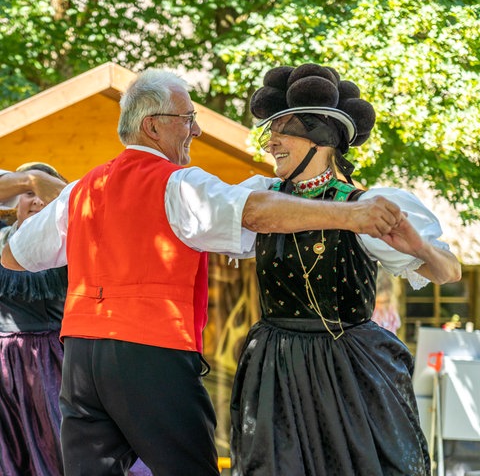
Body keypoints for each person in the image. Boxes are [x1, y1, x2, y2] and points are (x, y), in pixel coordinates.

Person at [2, 68, 405, 476]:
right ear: (153, 126)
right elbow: (256, 213)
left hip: (81, 359)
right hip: (150, 353)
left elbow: (15, 256)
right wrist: (350, 213)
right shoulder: (179, 184)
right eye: (188, 119)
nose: (195, 130)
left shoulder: (81, 190)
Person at [228, 63, 462, 476]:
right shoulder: (260, 199)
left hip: (347, 369)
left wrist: (419, 246)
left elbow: (449, 273)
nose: (271, 144)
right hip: (275, 368)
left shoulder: (369, 204)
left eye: (282, 131)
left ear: (320, 140)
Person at [0, 162, 68, 476]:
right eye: (28, 193)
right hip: (3, 364)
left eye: (45, 193)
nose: (38, 200)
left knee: (57, 450)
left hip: (52, 362)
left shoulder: (70, 246)